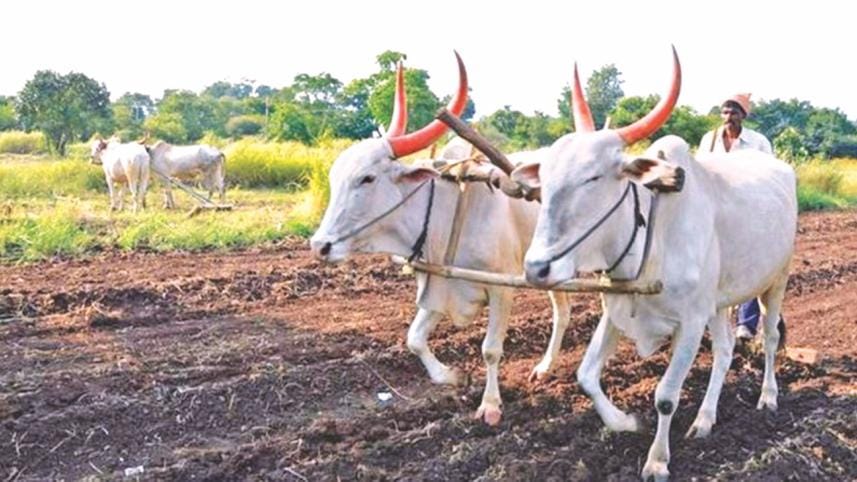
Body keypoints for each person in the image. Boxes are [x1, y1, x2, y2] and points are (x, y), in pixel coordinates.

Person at [699, 93, 782, 342]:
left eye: (734, 112)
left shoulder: (757, 142)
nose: (728, 117)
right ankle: (708, 322)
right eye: (725, 112)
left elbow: (769, 177)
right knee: (712, 265)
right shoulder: (709, 140)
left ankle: (746, 325)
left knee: (749, 266)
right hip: (716, 212)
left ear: (743, 115)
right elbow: (701, 171)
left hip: (749, 210)